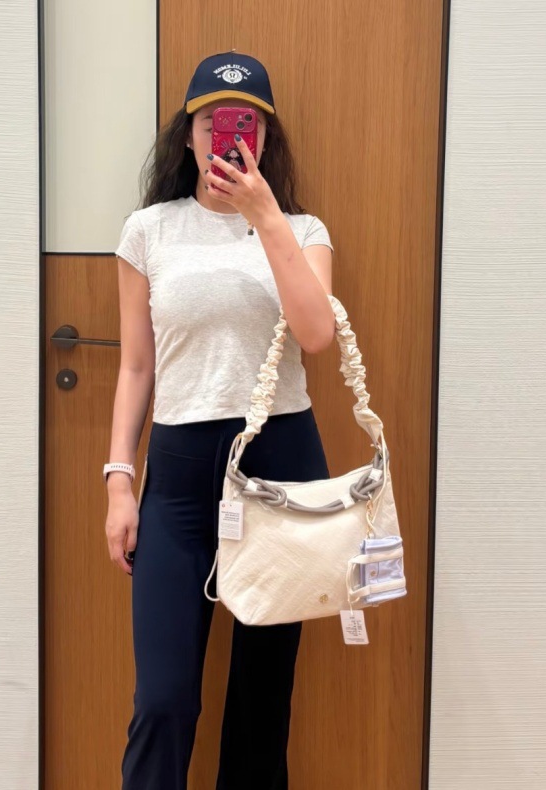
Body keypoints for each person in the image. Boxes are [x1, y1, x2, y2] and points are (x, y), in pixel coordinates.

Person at [104, 51, 336, 790]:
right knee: (164, 699)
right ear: (188, 134)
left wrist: (265, 216)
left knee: (262, 704)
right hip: (178, 475)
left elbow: (317, 335)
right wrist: (118, 481)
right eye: (213, 122)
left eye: (245, 124)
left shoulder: (303, 230)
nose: (228, 137)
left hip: (282, 465)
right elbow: (136, 367)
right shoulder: (149, 230)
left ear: (265, 137)